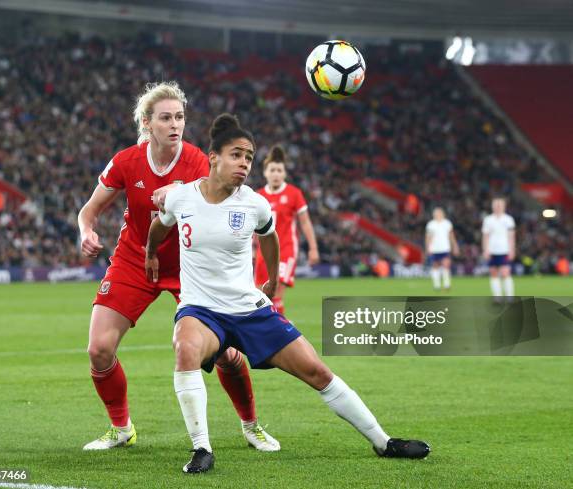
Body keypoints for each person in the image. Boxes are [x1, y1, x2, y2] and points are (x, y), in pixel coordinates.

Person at [145, 113, 430, 474]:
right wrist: (151, 252)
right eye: (237, 155)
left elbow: (269, 236)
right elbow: (160, 224)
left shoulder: (254, 204)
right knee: (184, 348)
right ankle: (202, 449)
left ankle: (383, 442)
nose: (245, 164)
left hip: (249, 309)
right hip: (201, 310)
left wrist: (274, 281)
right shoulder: (182, 197)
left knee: (316, 370)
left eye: (249, 157)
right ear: (213, 157)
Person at [77, 82, 279, 452]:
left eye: (180, 117)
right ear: (146, 123)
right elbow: (88, 212)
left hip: (192, 266)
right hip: (135, 260)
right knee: (98, 349)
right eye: (166, 117)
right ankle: (121, 429)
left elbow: (234, 206)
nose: (175, 124)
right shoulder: (125, 162)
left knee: (229, 354)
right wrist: (86, 231)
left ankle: (251, 425)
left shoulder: (202, 162)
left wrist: (183, 194)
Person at [254, 145, 319, 314]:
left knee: (276, 294)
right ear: (265, 173)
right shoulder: (258, 196)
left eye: (279, 170)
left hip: (286, 250)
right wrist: (252, 249)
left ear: (284, 173)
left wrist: (313, 248)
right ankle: (268, 329)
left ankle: (279, 332)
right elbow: (253, 227)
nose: (276, 174)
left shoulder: (294, 194)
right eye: (272, 170)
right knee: (260, 297)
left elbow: (305, 223)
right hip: (264, 252)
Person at [482, 197, 516, 300]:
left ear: (504, 206)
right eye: (496, 205)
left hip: (504, 250)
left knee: (505, 273)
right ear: (492, 206)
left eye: (500, 205)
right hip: (492, 250)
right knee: (493, 273)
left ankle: (509, 296)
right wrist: (485, 250)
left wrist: (512, 249)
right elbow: (485, 236)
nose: (497, 207)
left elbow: (512, 236)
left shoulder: (508, 219)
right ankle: (497, 297)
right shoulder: (488, 219)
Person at [425, 207, 459, 291]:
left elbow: (451, 236)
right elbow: (428, 237)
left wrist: (455, 246)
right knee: (435, 266)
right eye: (436, 213)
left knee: (446, 265)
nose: (437, 215)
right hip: (434, 249)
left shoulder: (447, 223)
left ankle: (447, 284)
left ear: (443, 214)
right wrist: (427, 248)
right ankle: (437, 285)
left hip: (445, 248)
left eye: (439, 213)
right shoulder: (431, 224)